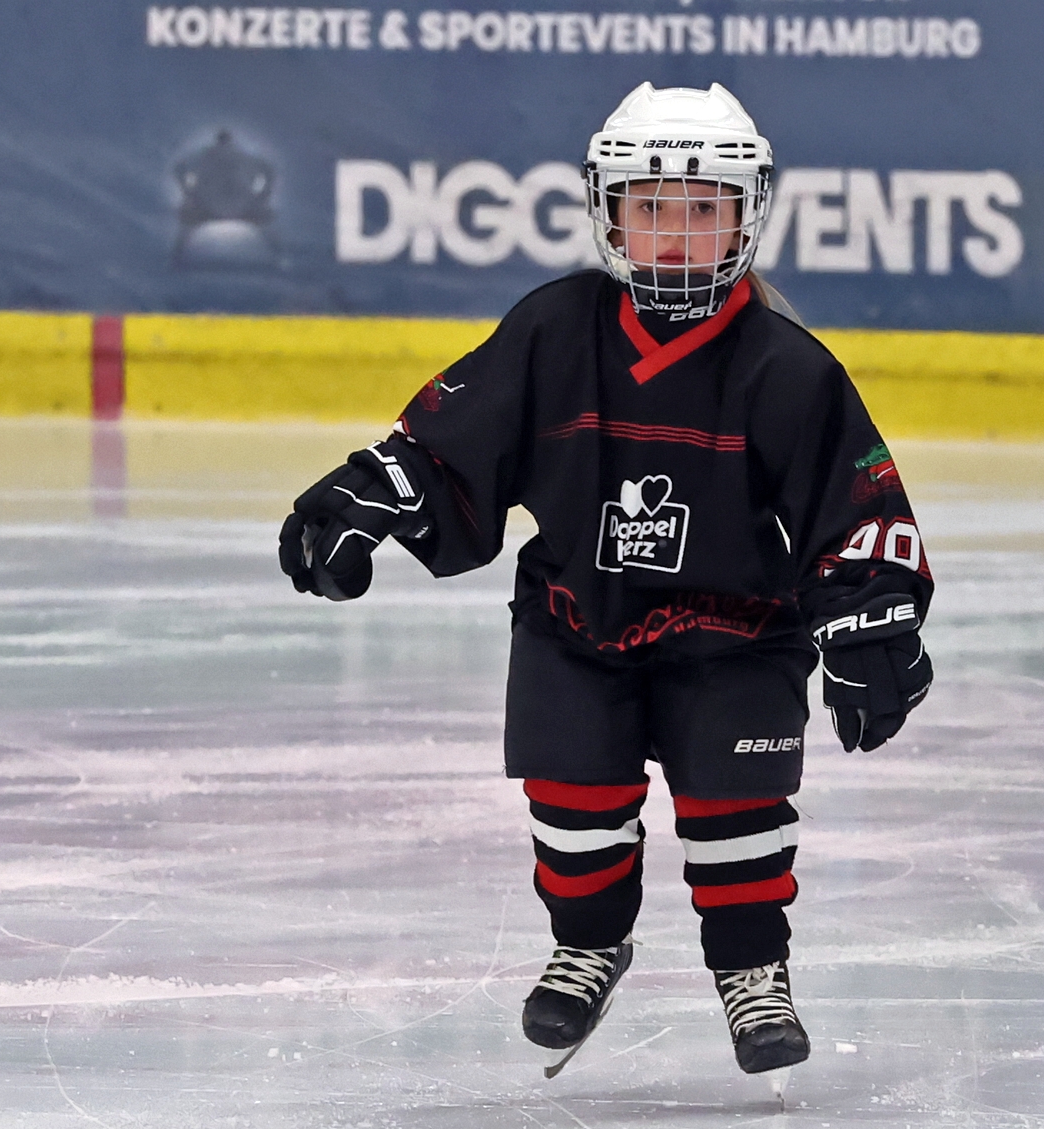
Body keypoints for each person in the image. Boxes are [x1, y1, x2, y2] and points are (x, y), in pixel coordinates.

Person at [277, 82, 933, 1076]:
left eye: (703, 210)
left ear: (747, 216)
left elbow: (853, 508)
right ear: (608, 212)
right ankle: (588, 944)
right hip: (577, 620)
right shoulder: (553, 331)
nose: (676, 234)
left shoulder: (788, 369)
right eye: (651, 208)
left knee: (736, 813)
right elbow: (454, 446)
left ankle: (752, 969)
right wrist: (372, 494)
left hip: (738, 637)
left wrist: (871, 621)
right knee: (572, 800)